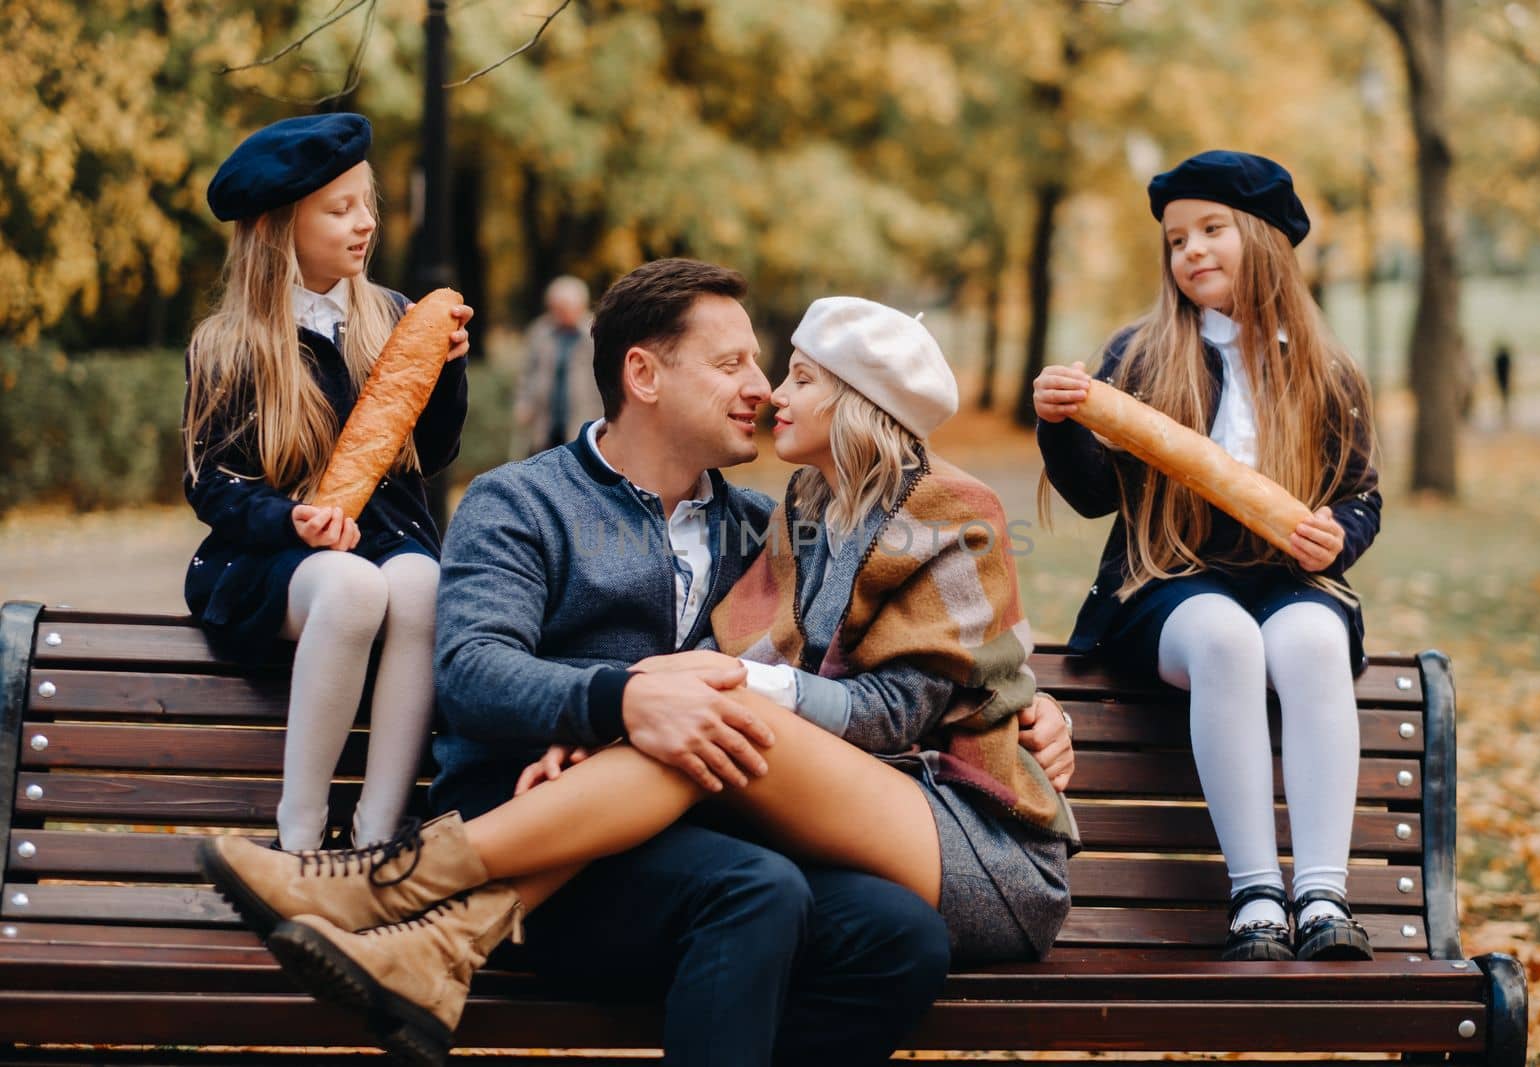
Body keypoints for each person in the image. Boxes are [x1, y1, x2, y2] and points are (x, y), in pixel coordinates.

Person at [200, 261, 1077, 1067]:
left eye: (772, 369)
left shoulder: (766, 524)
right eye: (733, 364)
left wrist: (1022, 712)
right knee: (758, 890)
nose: (762, 389)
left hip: (703, 821)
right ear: (644, 375)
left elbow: (887, 657)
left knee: (899, 935)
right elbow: (470, 672)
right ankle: (404, 888)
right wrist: (615, 704)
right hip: (538, 820)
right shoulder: (522, 500)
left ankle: (423, 926)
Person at [1033, 150, 1381, 963]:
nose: (1189, 250)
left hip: (1291, 580)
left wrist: (1338, 532)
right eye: (1175, 240)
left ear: (1263, 238)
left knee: (1314, 642)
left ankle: (1324, 894)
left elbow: (1361, 493)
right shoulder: (1144, 354)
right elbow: (1095, 495)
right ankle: (1257, 893)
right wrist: (1060, 424)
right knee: (1227, 639)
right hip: (1169, 582)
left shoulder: (1326, 371)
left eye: (1210, 230)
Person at [182, 113, 473, 852]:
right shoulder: (231, 342)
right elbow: (210, 484)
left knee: (422, 587)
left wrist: (447, 371)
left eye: (367, 204)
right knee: (351, 588)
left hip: (387, 538)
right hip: (271, 558)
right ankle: (300, 834)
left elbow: (429, 453)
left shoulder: (394, 317)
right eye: (340, 210)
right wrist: (293, 521)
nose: (364, 223)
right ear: (279, 227)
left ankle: (377, 834)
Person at [510, 274, 602, 458]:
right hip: (546, 419)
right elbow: (527, 373)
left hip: (584, 414)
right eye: (557, 308)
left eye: (565, 308)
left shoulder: (595, 333)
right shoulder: (540, 331)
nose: (561, 313)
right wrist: (523, 402)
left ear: (581, 306)